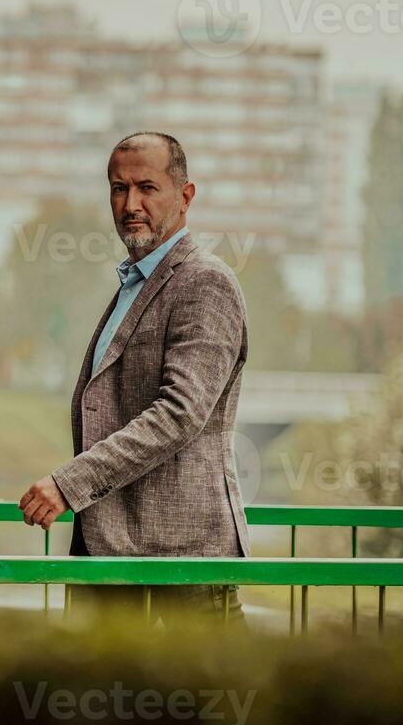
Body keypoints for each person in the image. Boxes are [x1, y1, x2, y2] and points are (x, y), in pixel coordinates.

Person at [17, 132, 251, 628]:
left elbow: (179, 414)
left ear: (185, 196)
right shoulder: (133, 283)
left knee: (208, 705)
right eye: (118, 189)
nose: (130, 204)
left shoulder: (204, 281)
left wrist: (70, 483)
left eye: (147, 187)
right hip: (113, 559)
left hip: (179, 564)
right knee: (102, 705)